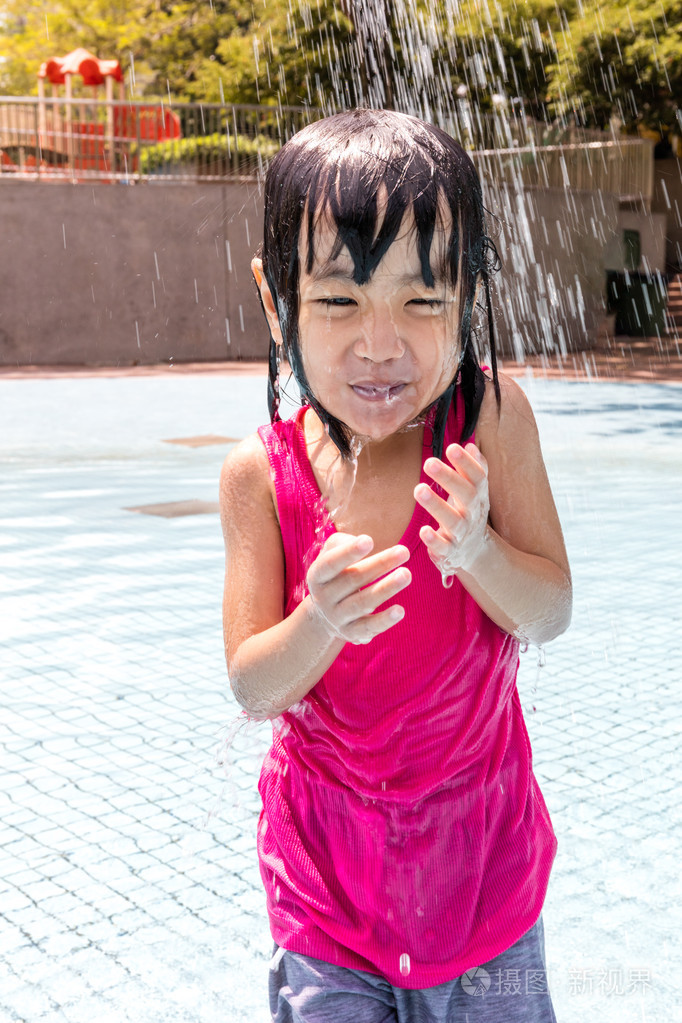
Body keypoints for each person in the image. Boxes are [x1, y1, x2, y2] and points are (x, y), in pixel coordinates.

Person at [219, 108, 572, 1023]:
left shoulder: (489, 424)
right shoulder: (262, 475)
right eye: (338, 302)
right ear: (275, 301)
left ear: (470, 295)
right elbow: (255, 686)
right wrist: (318, 622)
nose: (383, 344)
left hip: (485, 880)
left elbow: (548, 613)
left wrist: (482, 554)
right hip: (327, 894)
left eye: (423, 301)